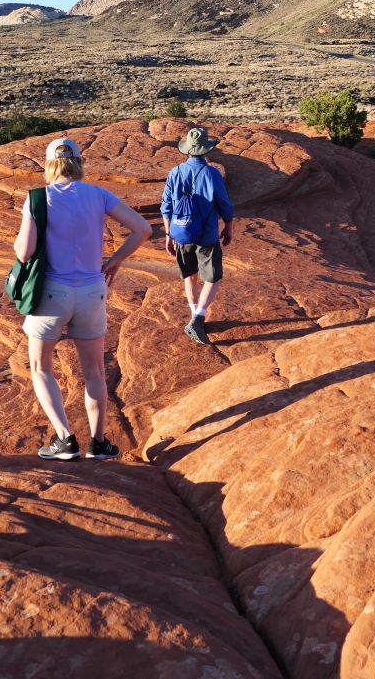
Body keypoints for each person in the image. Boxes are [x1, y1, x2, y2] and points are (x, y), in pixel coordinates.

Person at [14, 137, 151, 461]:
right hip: (92, 290)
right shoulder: (99, 195)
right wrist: (116, 259)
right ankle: (98, 443)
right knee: (94, 371)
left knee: (40, 366)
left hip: (51, 293)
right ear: (78, 162)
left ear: (49, 165)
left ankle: (65, 440)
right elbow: (143, 229)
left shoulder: (39, 198)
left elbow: (24, 252)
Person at [160, 126, 234, 346]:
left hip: (181, 233)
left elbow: (166, 207)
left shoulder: (175, 172)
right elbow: (224, 204)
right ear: (206, 149)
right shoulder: (211, 173)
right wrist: (228, 226)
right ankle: (198, 317)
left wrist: (168, 234)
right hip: (207, 235)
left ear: (188, 150)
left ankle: (195, 315)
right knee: (212, 277)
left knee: (189, 275)